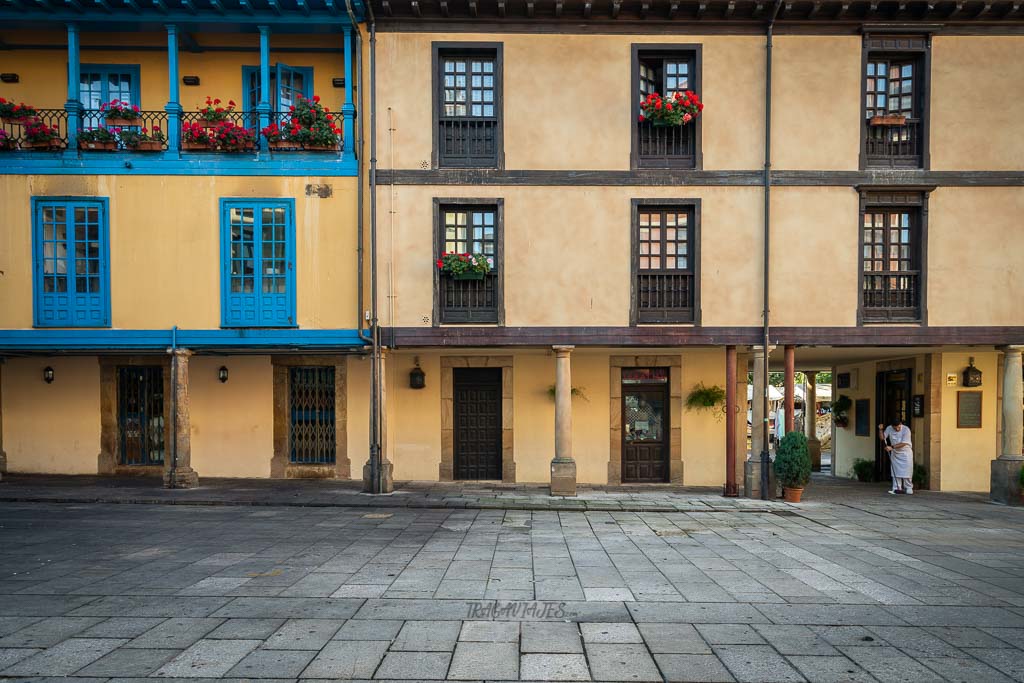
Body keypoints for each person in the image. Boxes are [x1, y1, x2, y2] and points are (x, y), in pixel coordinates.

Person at [878, 418, 913, 495]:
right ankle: (897, 487)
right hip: (895, 453)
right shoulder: (889, 428)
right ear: (892, 426)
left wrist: (891, 447)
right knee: (895, 471)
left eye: (898, 427)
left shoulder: (906, 429)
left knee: (907, 470)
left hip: (905, 453)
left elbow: (904, 443)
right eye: (895, 428)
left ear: (901, 424)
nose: (897, 429)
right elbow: (882, 438)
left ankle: (908, 487)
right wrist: (880, 430)